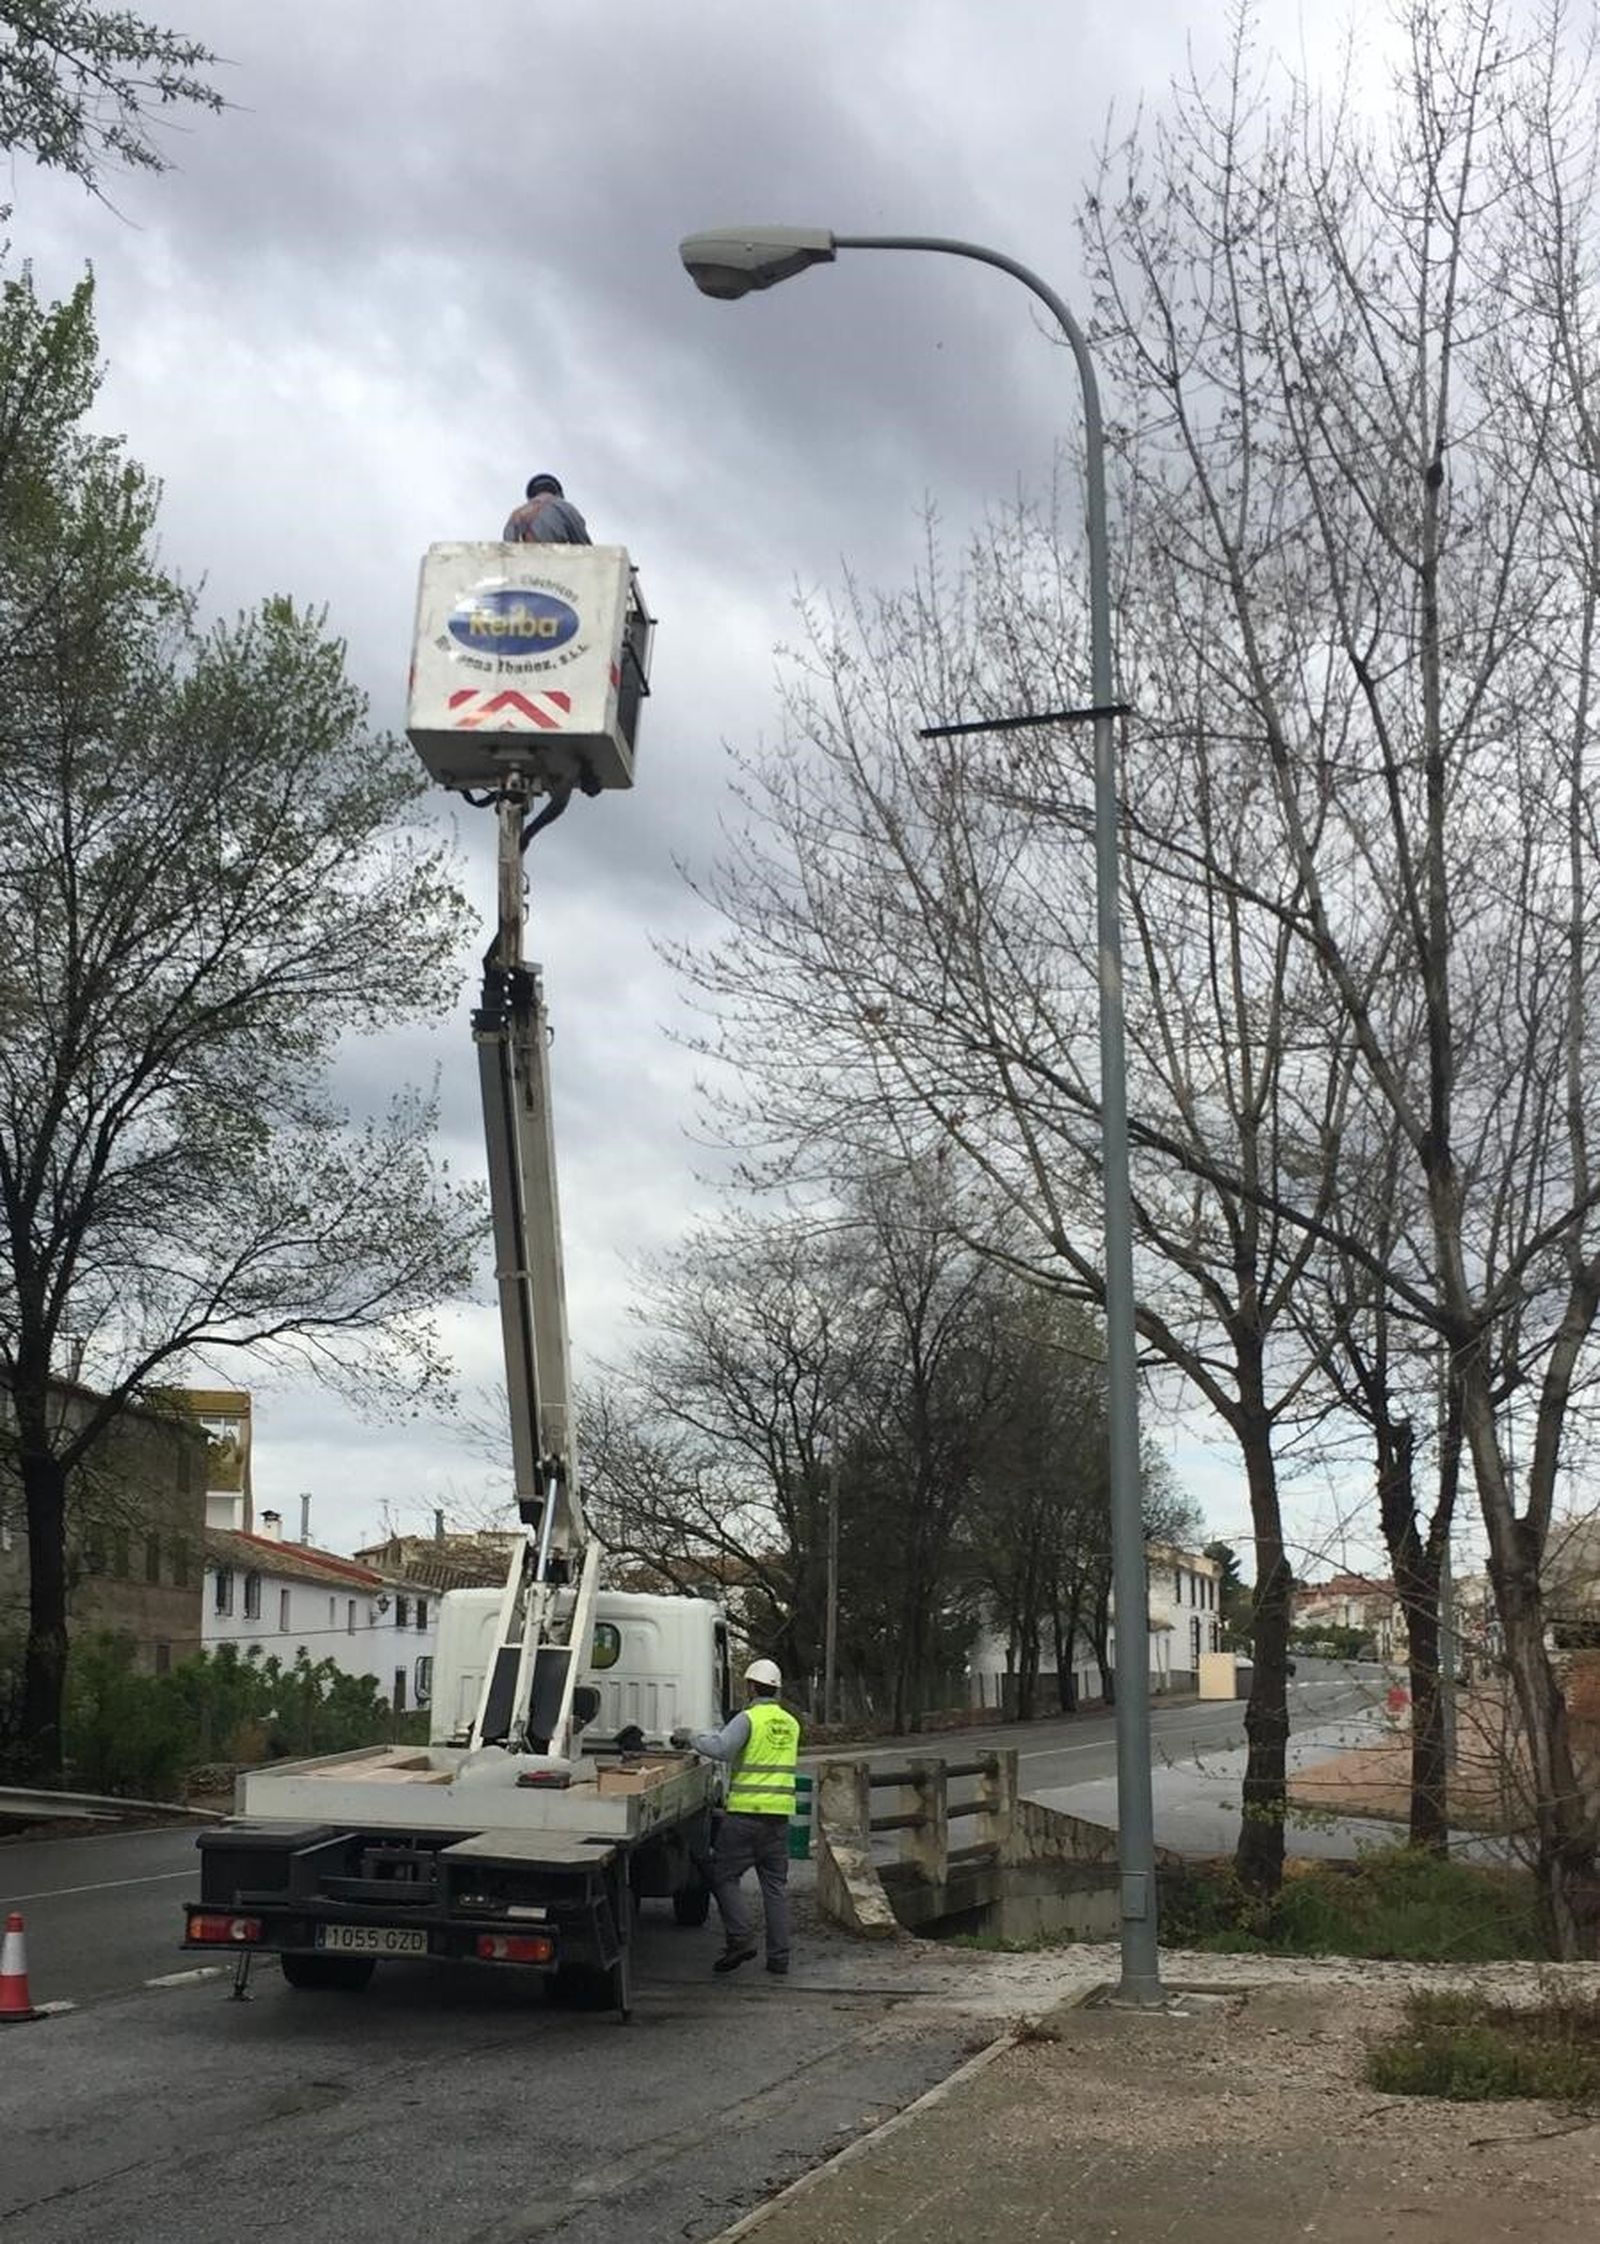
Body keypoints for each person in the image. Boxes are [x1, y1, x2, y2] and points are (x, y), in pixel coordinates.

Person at [672, 1657, 801, 1977]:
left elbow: (722, 1748)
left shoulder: (749, 1719)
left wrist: (690, 1736)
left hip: (745, 1818)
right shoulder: (791, 1723)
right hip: (778, 1820)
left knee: (722, 1875)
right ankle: (779, 1958)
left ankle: (740, 1936)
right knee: (774, 1888)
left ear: (752, 1687)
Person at [502, 472, 591, 545]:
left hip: (521, 564)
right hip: (555, 562)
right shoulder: (566, 508)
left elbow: (509, 547)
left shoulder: (516, 514)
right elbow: (585, 547)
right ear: (558, 493)